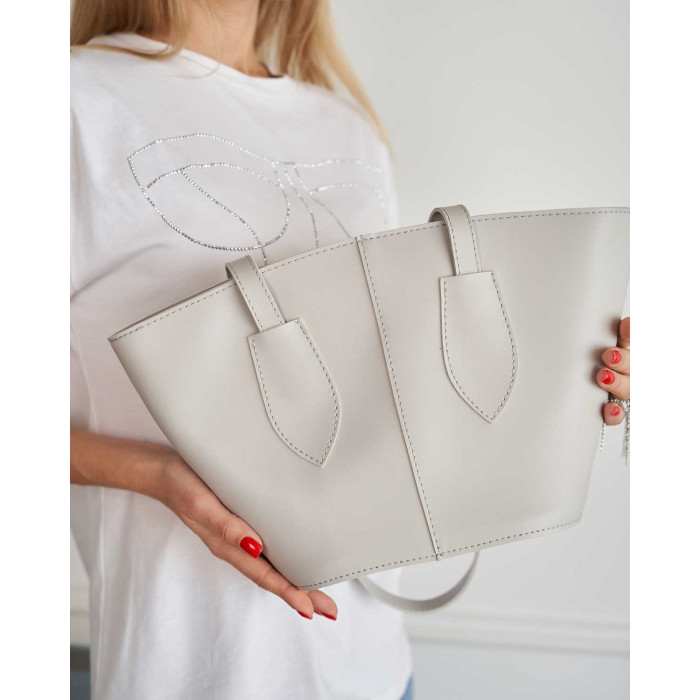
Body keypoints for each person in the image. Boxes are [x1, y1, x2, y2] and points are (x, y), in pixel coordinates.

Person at [70, 1, 631, 698]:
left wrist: (570, 370)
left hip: (377, 671)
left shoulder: (345, 125)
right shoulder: (74, 101)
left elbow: (383, 381)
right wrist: (159, 477)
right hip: (195, 672)